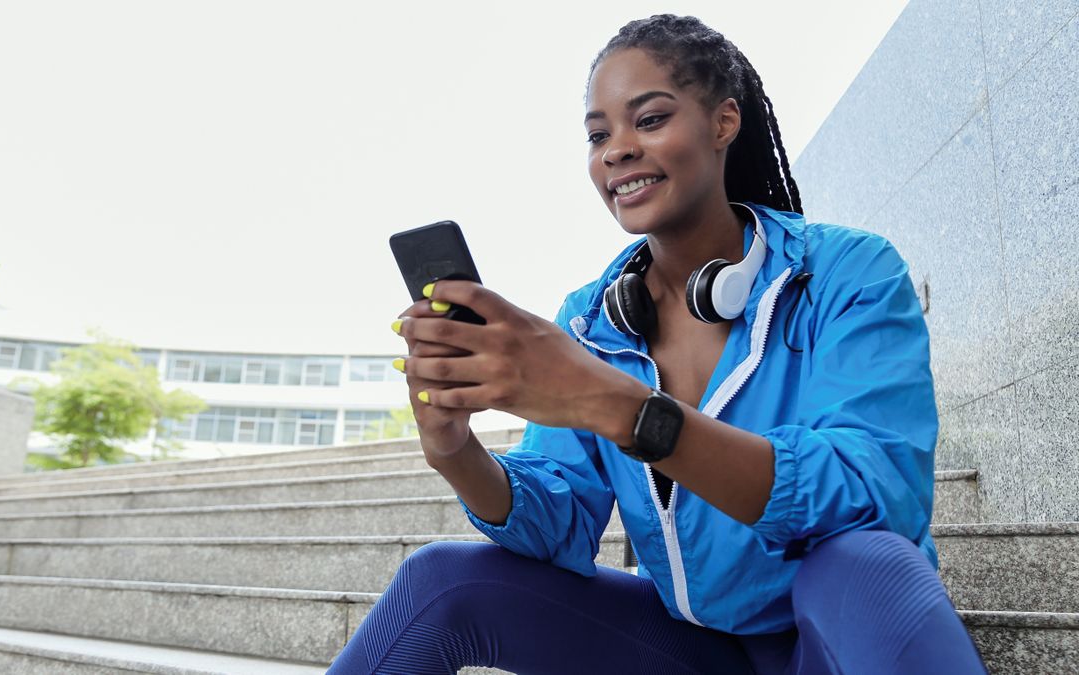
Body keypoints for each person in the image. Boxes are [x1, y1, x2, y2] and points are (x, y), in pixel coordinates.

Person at [328, 14, 987, 675]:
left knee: (866, 562)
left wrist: (621, 406)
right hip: (688, 651)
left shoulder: (848, 272)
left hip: (834, 638)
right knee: (442, 578)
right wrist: (454, 450)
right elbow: (557, 523)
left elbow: (873, 492)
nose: (616, 149)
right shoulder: (590, 321)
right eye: (598, 134)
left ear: (723, 122)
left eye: (648, 119)